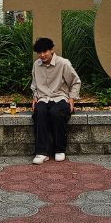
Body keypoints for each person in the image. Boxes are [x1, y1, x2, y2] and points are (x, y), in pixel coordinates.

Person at [30, 37, 81, 165]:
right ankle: (42, 152)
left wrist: (71, 98)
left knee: (56, 112)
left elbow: (76, 82)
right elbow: (34, 84)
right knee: (40, 112)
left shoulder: (63, 63)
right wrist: (35, 97)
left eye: (45, 51)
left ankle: (60, 149)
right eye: (39, 52)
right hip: (43, 98)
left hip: (60, 97)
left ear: (51, 50)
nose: (42, 55)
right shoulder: (36, 65)